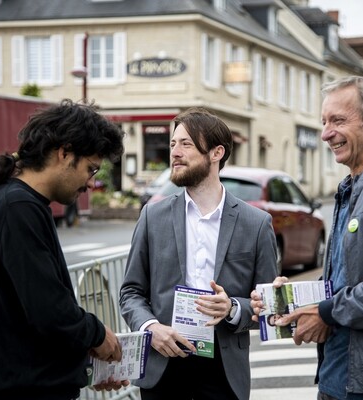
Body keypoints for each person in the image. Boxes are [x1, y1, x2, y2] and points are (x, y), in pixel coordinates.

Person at [251, 76, 363, 400]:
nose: (325, 134)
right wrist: (290, 302)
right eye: (323, 122)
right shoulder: (352, 187)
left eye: (337, 120)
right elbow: (344, 280)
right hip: (338, 377)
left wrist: (325, 312)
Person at [0, 99, 127, 400]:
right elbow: (50, 311)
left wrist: (86, 367)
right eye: (90, 169)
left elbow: (28, 320)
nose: (91, 183)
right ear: (64, 153)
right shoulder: (18, 208)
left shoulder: (12, 200)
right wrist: (97, 333)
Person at [119, 107, 278, 400]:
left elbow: (267, 304)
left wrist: (231, 307)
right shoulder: (153, 216)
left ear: (216, 153)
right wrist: (151, 327)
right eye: (172, 144)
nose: (175, 152)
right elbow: (131, 292)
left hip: (223, 369)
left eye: (186, 144)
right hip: (163, 362)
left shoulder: (256, 223)